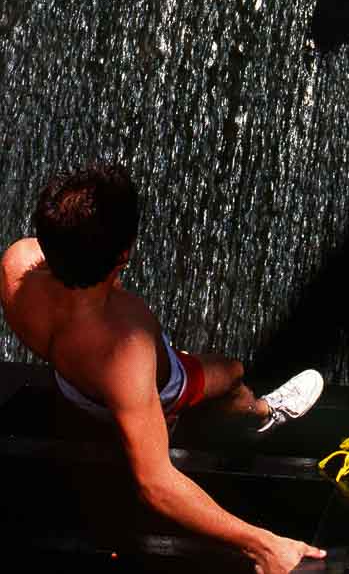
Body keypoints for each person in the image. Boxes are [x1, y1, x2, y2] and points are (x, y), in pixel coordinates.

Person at [0, 165, 326, 574]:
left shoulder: (18, 261)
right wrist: (263, 545)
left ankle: (145, 415)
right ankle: (261, 415)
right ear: (124, 254)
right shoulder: (126, 342)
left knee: (126, 392)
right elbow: (155, 484)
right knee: (230, 372)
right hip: (138, 382)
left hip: (73, 380)